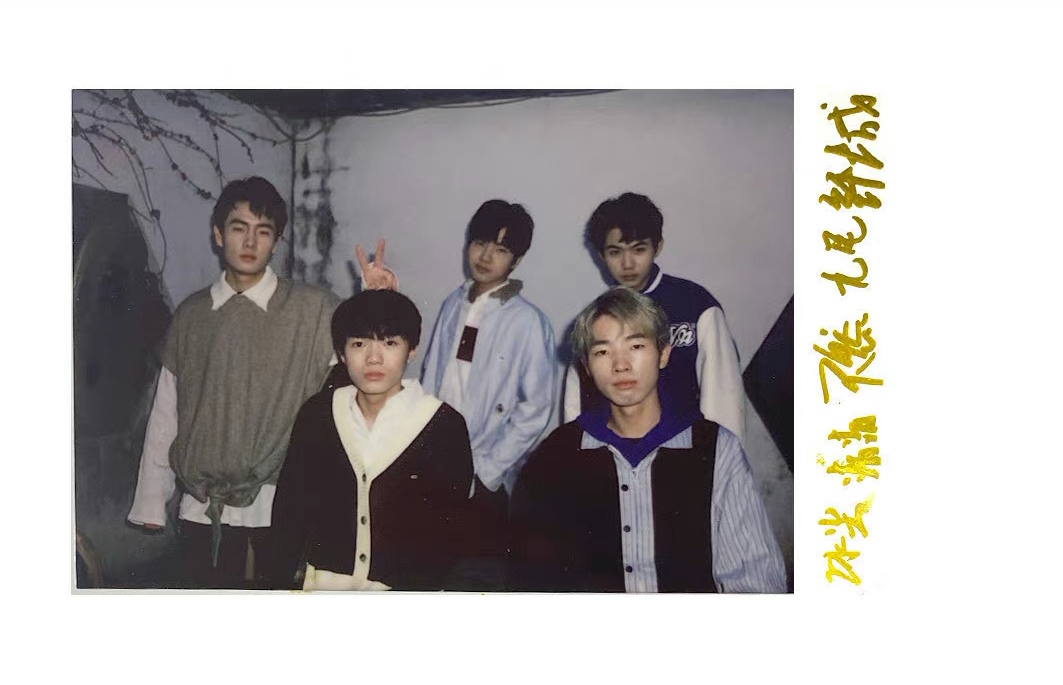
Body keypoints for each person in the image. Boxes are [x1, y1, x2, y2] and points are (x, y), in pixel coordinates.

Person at [127, 176, 395, 589]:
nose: (250, 242)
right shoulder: (191, 315)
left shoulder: (312, 309)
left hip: (278, 507)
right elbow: (167, 413)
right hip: (201, 509)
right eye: (239, 228)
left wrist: (377, 301)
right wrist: (151, 499)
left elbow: (365, 353)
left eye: (264, 231)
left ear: (276, 241)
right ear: (219, 235)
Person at [510, 287, 785, 592]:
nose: (621, 365)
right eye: (602, 352)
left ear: (663, 354)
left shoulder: (716, 448)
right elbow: (533, 577)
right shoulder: (557, 454)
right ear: (586, 367)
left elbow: (755, 581)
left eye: (636, 346)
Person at [267, 290, 474, 591]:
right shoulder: (319, 413)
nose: (373, 358)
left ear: (412, 350)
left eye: (390, 343)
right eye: (359, 344)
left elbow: (450, 532)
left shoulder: (443, 425)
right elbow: (289, 513)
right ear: (341, 353)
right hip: (322, 586)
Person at [421, 199, 557, 586]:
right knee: (429, 572)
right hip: (436, 465)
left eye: (501, 249)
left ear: (517, 259)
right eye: (480, 242)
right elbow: (432, 374)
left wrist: (489, 472)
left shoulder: (528, 322)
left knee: (476, 577)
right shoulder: (453, 303)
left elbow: (536, 408)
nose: (485, 256)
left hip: (485, 476)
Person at [563, 192, 746, 446]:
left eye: (639, 249)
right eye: (615, 252)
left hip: (686, 449)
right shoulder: (595, 319)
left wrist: (723, 458)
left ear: (657, 246)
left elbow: (724, 396)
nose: (628, 264)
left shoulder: (694, 305)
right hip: (616, 452)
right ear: (602, 254)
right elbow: (576, 402)